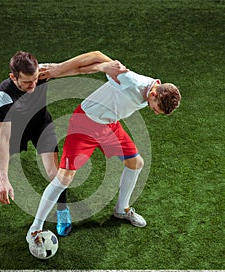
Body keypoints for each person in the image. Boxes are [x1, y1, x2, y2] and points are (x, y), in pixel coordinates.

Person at [26, 56, 181, 257]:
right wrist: (57, 69)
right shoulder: (130, 80)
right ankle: (35, 227)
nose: (155, 113)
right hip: (85, 123)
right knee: (65, 177)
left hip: (109, 126)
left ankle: (121, 209)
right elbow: (97, 56)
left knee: (136, 163)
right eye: (155, 108)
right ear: (154, 91)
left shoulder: (153, 89)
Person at [0, 50, 127, 237]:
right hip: (16, 130)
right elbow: (5, 140)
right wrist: (3, 179)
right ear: (13, 77)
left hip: (42, 126)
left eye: (35, 80)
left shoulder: (40, 72)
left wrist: (102, 66)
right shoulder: (4, 94)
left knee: (55, 174)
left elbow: (83, 65)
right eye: (26, 82)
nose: (33, 85)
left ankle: (62, 210)